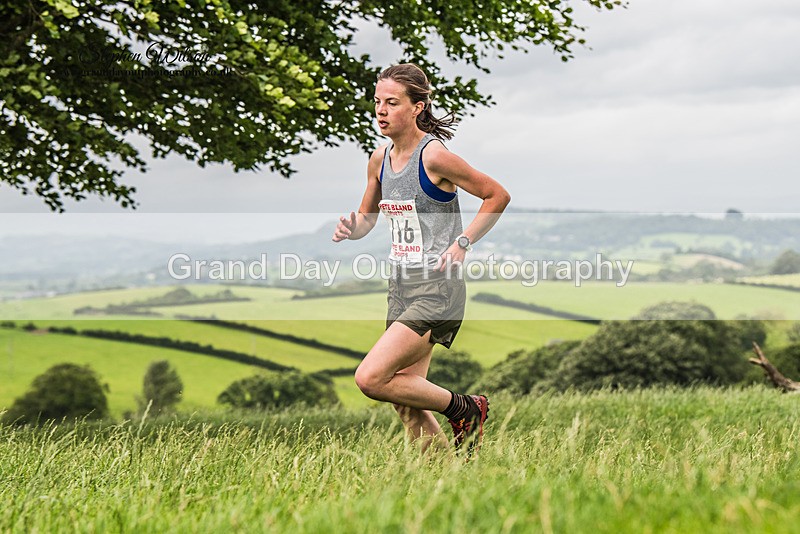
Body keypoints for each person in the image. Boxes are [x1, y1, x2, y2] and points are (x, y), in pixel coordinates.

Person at [332, 63, 510, 453]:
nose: (380, 110)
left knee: (371, 378)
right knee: (404, 398)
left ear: (417, 106)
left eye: (391, 102)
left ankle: (466, 408)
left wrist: (462, 242)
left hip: (438, 288)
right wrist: (352, 229)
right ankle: (445, 482)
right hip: (401, 285)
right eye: (377, 102)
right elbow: (368, 218)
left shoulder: (435, 158)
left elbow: (497, 195)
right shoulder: (379, 160)